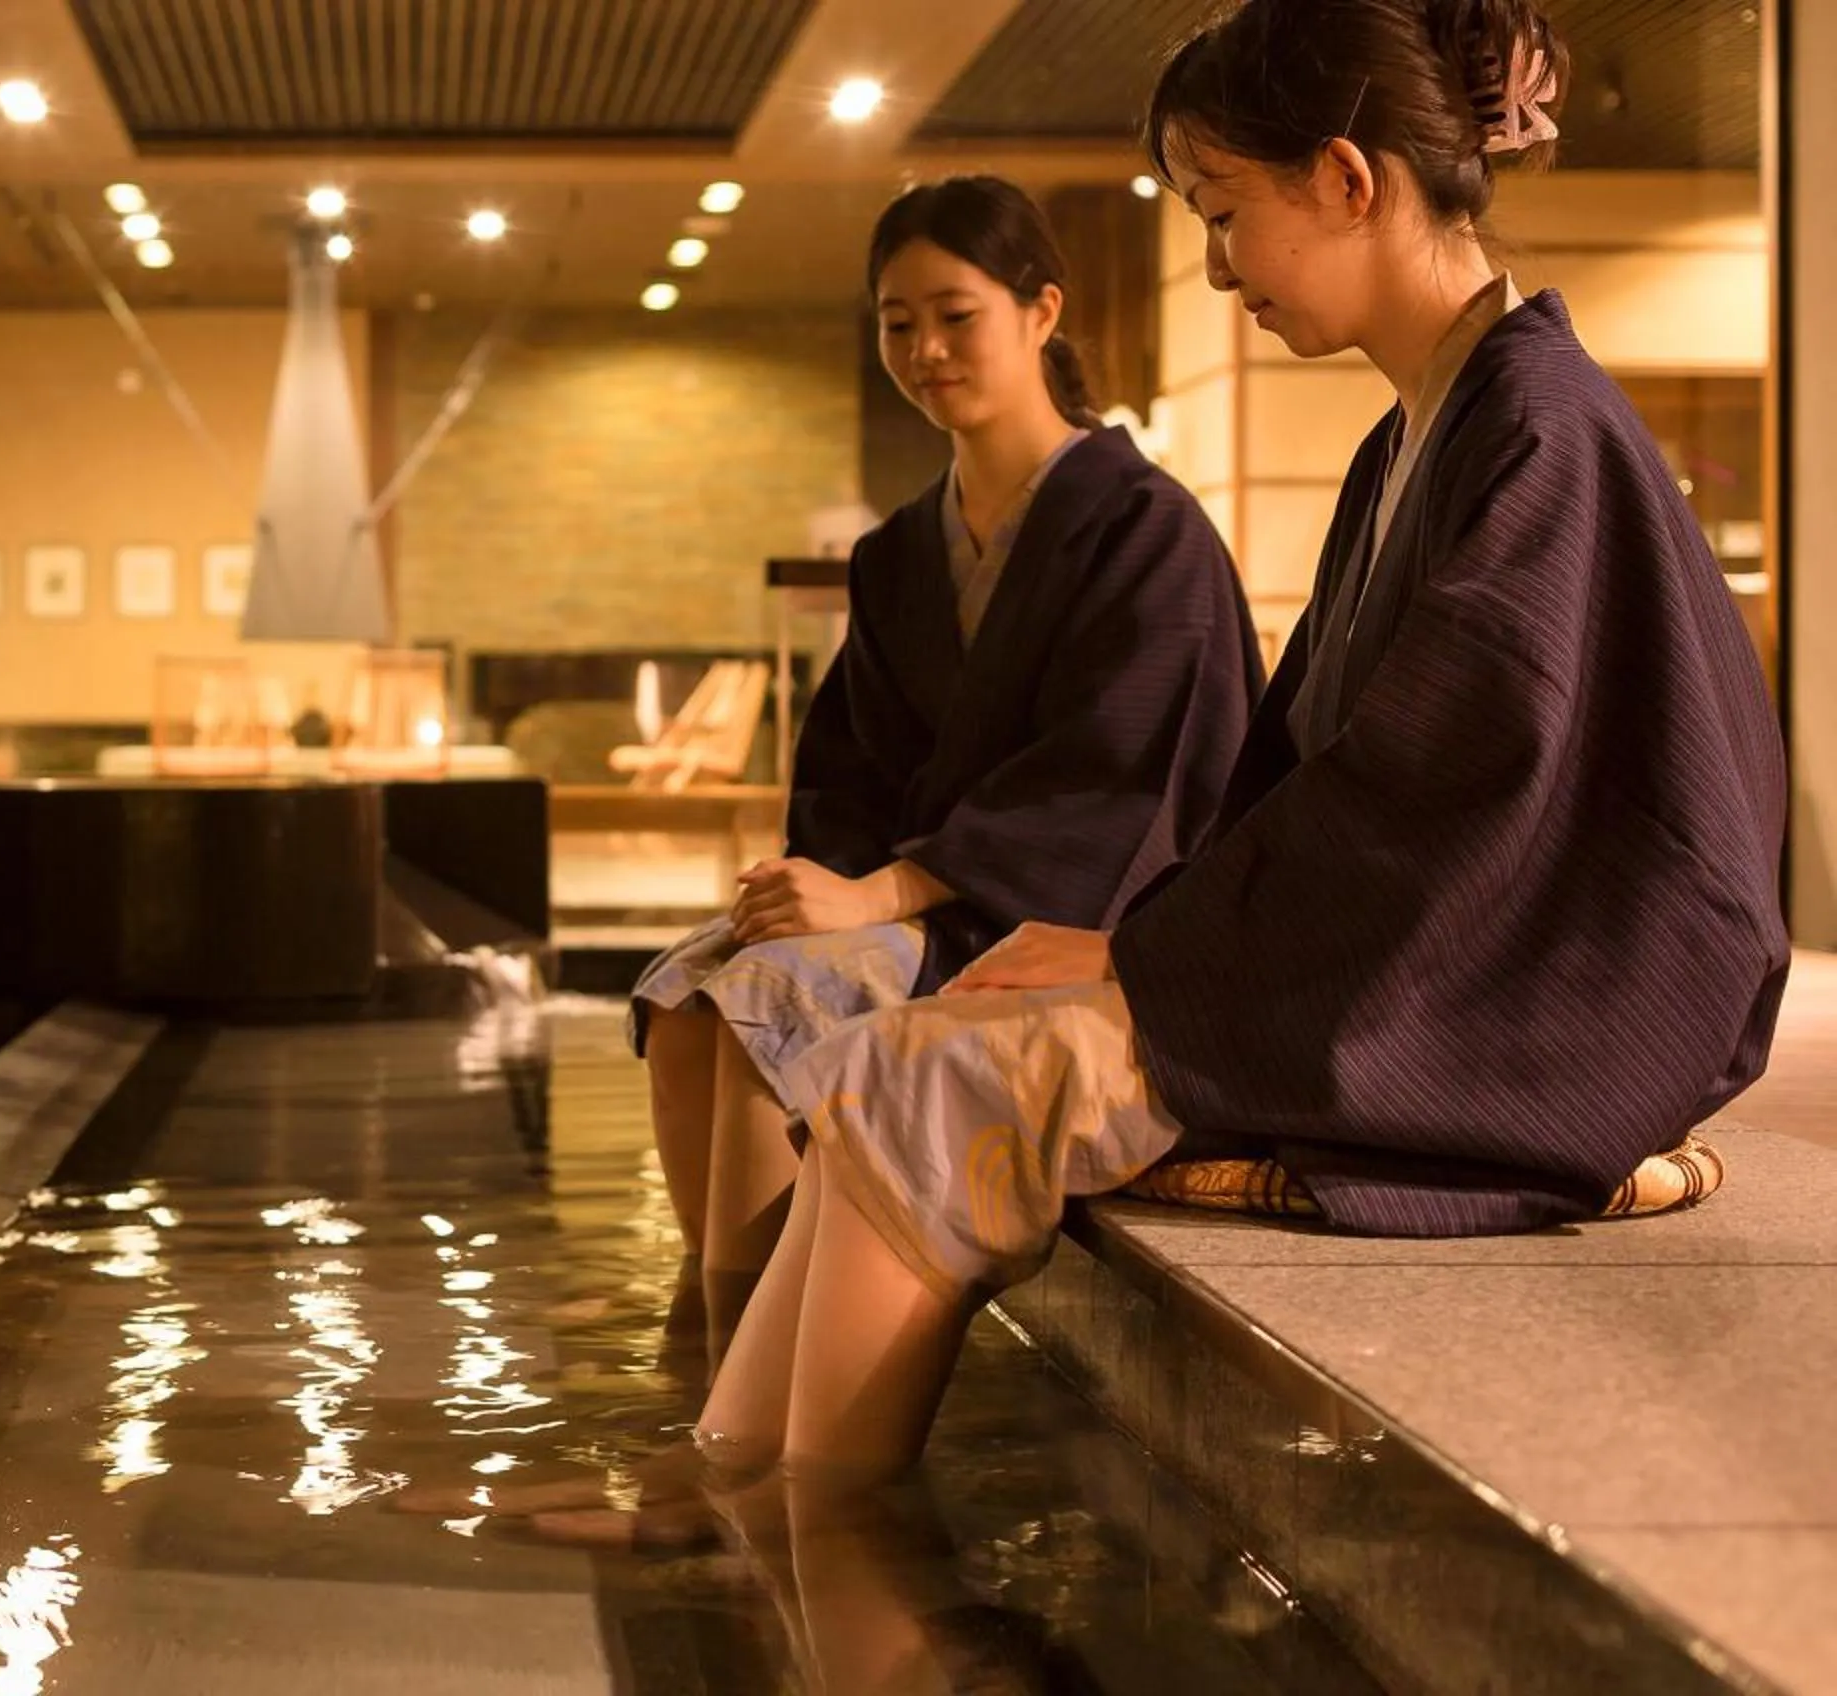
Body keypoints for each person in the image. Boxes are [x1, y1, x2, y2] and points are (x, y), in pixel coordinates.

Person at [668, 0, 1787, 1489]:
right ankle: (741, 1493)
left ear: (1344, 177)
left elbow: (1436, 803)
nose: (1212, 264)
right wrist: (1135, 941)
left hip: (1522, 992)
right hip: (1393, 946)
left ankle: (817, 1568)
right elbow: (1340, 789)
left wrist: (1146, 957)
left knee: (931, 1082)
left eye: (1223, 213)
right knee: (880, 1056)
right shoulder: (1423, 433)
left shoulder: (1538, 430)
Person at [631, 175, 1258, 1341]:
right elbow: (849, 770)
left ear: (1041, 311)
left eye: (954, 314)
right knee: (683, 994)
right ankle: (709, 1333)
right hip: (918, 900)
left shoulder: (1141, 528)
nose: (924, 349)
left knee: (769, 997)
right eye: (896, 322)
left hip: (1054, 914)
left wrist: (881, 892)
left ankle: (733, 1369)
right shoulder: (899, 553)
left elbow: (1115, 773)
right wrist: (817, 887)